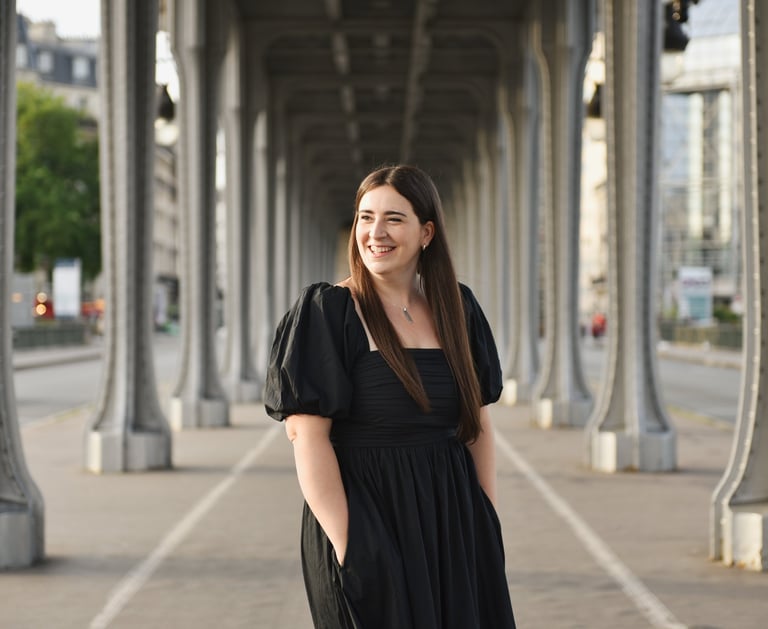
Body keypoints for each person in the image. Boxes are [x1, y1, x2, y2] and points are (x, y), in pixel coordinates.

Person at [264, 164, 517, 628]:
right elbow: (306, 435)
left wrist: (485, 519)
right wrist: (351, 545)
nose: (375, 232)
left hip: (451, 518)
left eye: (394, 219)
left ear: (426, 232)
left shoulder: (458, 309)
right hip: (366, 519)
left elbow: (477, 426)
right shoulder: (328, 310)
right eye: (365, 217)